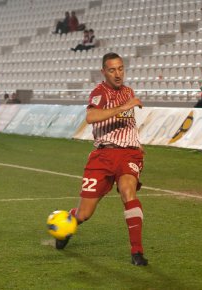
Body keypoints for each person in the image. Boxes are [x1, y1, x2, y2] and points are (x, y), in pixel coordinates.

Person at [55, 52, 148, 266]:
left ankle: (137, 252)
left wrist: (136, 142)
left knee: (128, 191)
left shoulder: (129, 92)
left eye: (121, 68)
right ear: (103, 72)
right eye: (112, 70)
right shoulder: (100, 93)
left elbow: (128, 123)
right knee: (85, 213)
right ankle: (66, 226)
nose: (118, 74)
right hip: (103, 156)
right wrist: (123, 107)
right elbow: (91, 117)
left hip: (128, 154)